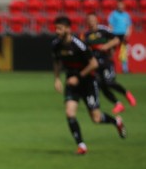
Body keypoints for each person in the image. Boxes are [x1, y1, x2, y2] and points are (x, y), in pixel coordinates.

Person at [52, 15, 127, 155]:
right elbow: (57, 62)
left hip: (88, 82)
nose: (57, 31)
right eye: (56, 28)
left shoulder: (79, 45)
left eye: (60, 28)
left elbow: (94, 64)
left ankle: (116, 122)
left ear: (68, 29)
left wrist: (79, 77)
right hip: (71, 81)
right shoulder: (56, 44)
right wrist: (56, 78)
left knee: (96, 118)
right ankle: (81, 145)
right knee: (69, 113)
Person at [83, 13, 137, 115]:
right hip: (96, 64)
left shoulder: (103, 30)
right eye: (89, 20)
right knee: (102, 86)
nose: (91, 22)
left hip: (106, 61)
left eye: (92, 19)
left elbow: (116, 40)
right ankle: (118, 104)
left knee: (109, 82)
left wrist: (106, 46)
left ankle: (127, 94)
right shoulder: (86, 35)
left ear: (96, 20)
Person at [108, 0, 133, 74]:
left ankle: (125, 69)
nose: (120, 7)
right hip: (115, 35)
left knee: (123, 52)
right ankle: (110, 68)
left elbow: (129, 26)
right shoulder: (113, 14)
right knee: (111, 53)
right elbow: (110, 25)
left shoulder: (126, 15)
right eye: (119, 6)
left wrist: (127, 34)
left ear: (124, 6)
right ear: (117, 6)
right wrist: (111, 35)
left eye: (122, 6)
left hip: (123, 35)